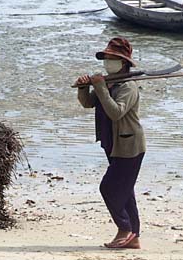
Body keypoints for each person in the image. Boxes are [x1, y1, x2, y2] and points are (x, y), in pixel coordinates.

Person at [76, 37, 146, 249]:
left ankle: (124, 228)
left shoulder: (128, 87)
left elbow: (116, 113)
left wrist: (101, 88)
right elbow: (89, 103)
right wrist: (83, 88)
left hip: (129, 146)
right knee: (125, 191)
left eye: (112, 58)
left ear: (123, 62)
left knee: (109, 188)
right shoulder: (108, 82)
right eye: (105, 58)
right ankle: (133, 238)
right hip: (112, 143)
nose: (107, 62)